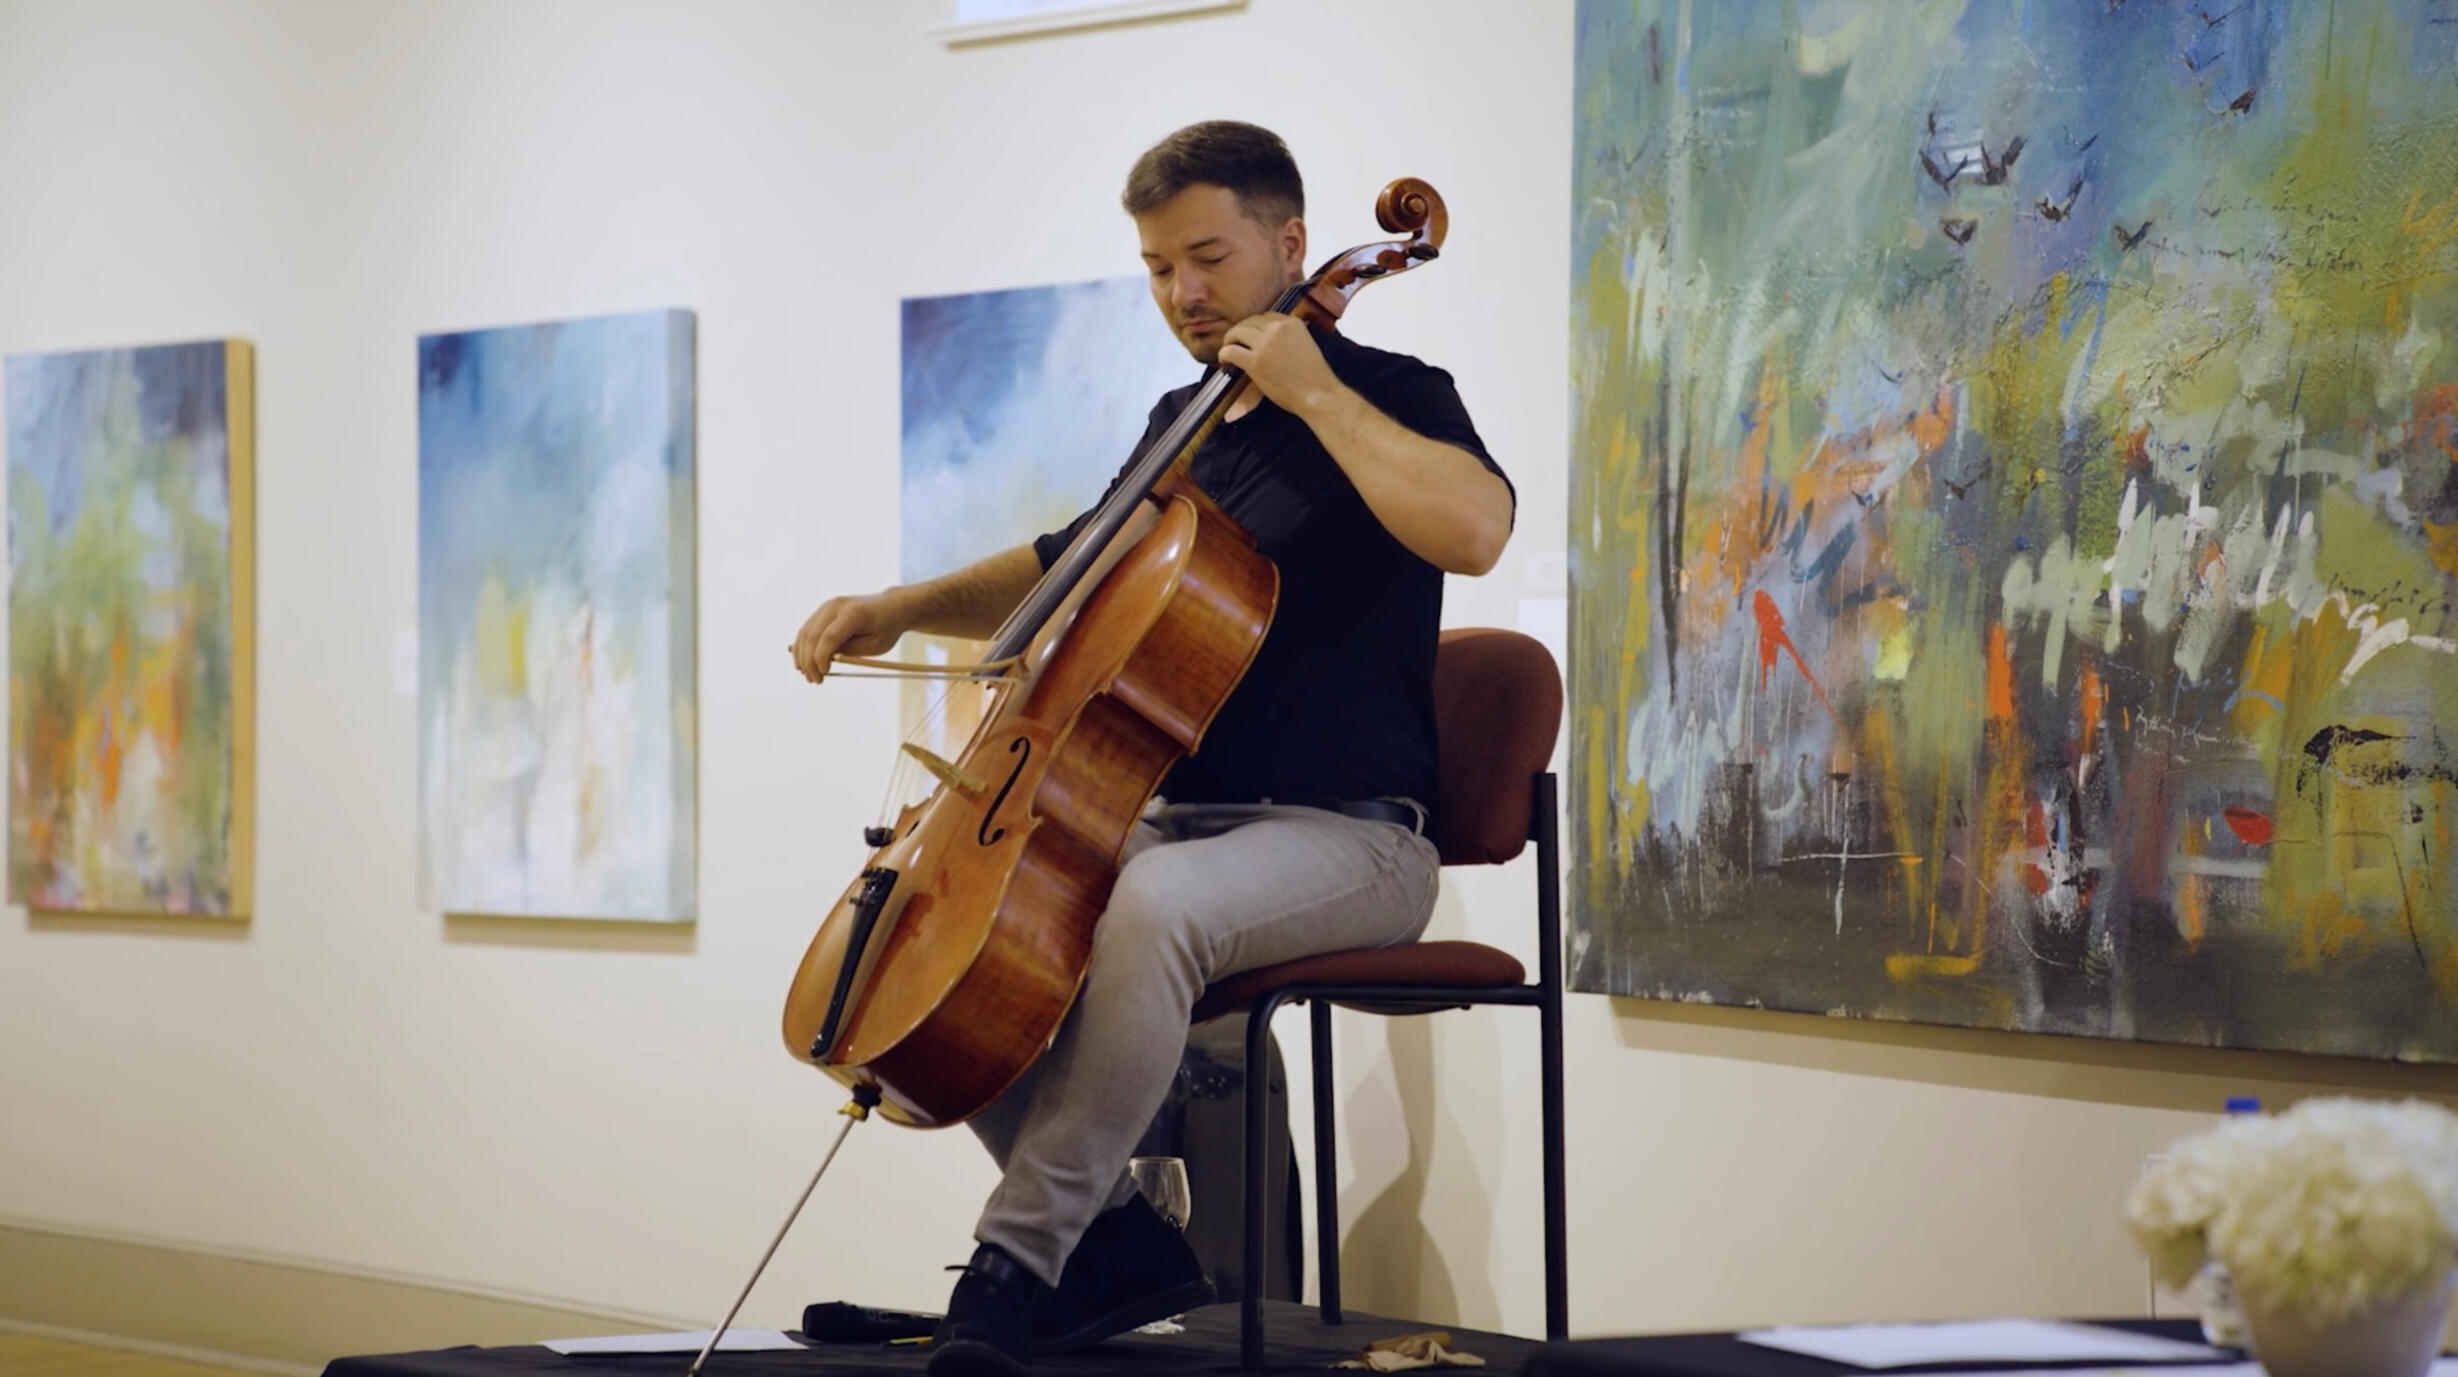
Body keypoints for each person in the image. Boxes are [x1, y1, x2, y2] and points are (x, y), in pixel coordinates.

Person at [789, 120, 1513, 1377]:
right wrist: (898, 607)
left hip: (1351, 837)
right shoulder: (1185, 423)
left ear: (1290, 245)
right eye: (1157, 267)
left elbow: (1476, 528)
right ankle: (1119, 1243)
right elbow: (1068, 564)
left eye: (1208, 257)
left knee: (1152, 908)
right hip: (1178, 823)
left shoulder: (1393, 393)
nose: (1183, 293)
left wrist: (1317, 393)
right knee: (952, 948)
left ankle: (1014, 1269)